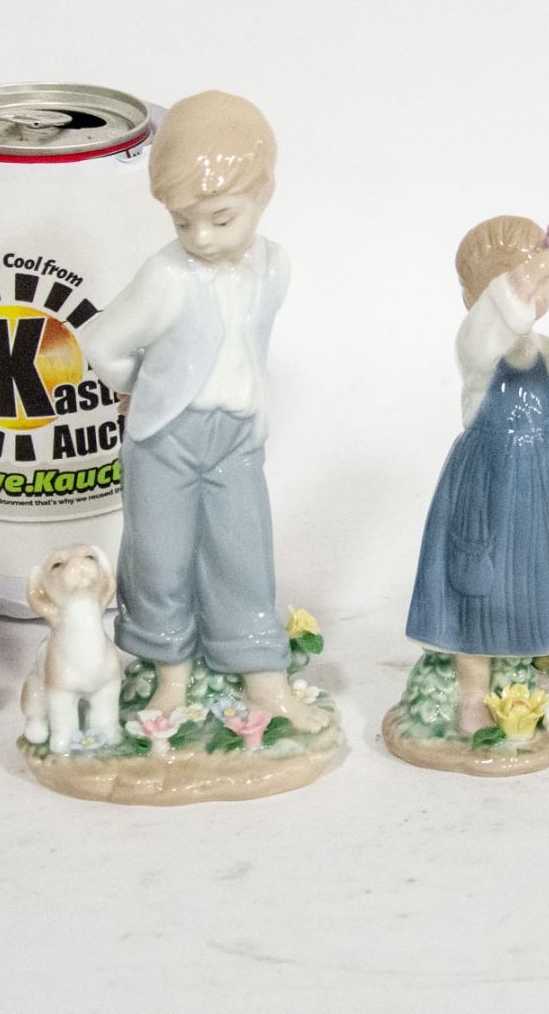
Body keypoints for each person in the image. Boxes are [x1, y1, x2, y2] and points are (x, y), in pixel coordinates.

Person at [78, 91, 326, 730]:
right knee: (160, 558)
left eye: (220, 218)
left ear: (263, 195)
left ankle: (262, 678)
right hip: (167, 439)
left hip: (236, 435)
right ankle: (169, 676)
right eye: (184, 223)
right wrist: (139, 390)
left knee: (244, 554)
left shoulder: (274, 268)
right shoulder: (166, 278)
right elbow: (100, 343)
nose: (202, 237)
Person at [404, 214, 549, 736]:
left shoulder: (539, 349)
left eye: (541, 279)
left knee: (533, 576)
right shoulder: (476, 342)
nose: (532, 287)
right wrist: (537, 267)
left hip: (538, 476)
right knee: (476, 584)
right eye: (517, 279)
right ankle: (472, 693)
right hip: (489, 477)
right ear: (477, 296)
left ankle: (528, 665)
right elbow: (496, 317)